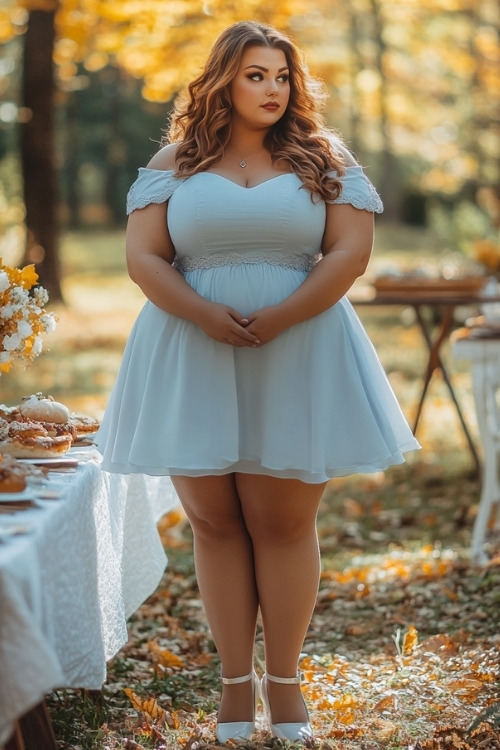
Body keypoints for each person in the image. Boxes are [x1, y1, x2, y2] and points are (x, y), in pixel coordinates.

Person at [95, 20, 420, 744]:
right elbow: (145, 258)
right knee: (214, 523)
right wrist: (204, 313)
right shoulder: (175, 161)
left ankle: (286, 686)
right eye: (255, 75)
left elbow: (348, 253)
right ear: (224, 81)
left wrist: (281, 316)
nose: (272, 89)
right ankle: (235, 689)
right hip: (190, 345)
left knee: (282, 522)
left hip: (298, 346)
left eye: (281, 75)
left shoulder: (323, 156)